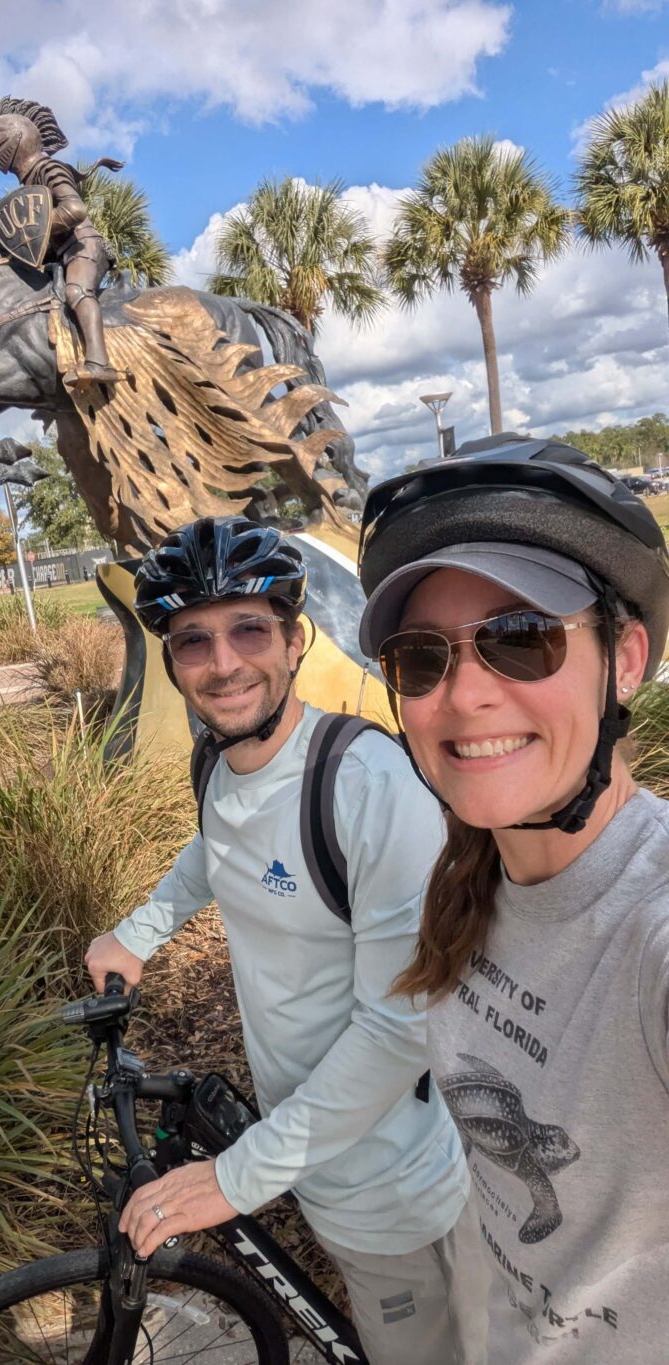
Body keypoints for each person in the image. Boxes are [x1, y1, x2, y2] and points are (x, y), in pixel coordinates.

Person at [86, 514, 486, 1365]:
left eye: (249, 630)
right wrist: (137, 932)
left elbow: (400, 1028)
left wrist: (234, 1178)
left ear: (295, 640)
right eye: (193, 641)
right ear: (172, 661)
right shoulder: (218, 760)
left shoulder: (365, 787)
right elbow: (217, 845)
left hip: (389, 1188)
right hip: (308, 1150)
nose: (223, 663)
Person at [357, 433, 669, 1365]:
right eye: (421, 657)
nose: (464, 695)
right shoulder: (469, 884)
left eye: (522, 637)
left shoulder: (648, 926)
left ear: (624, 660)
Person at [0, 96, 124, 385]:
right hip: (59, 258)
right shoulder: (29, 182)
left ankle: (100, 362)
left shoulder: (49, 169)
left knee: (76, 291)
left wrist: (40, 229)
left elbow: (75, 210)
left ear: (17, 139)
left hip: (83, 245)